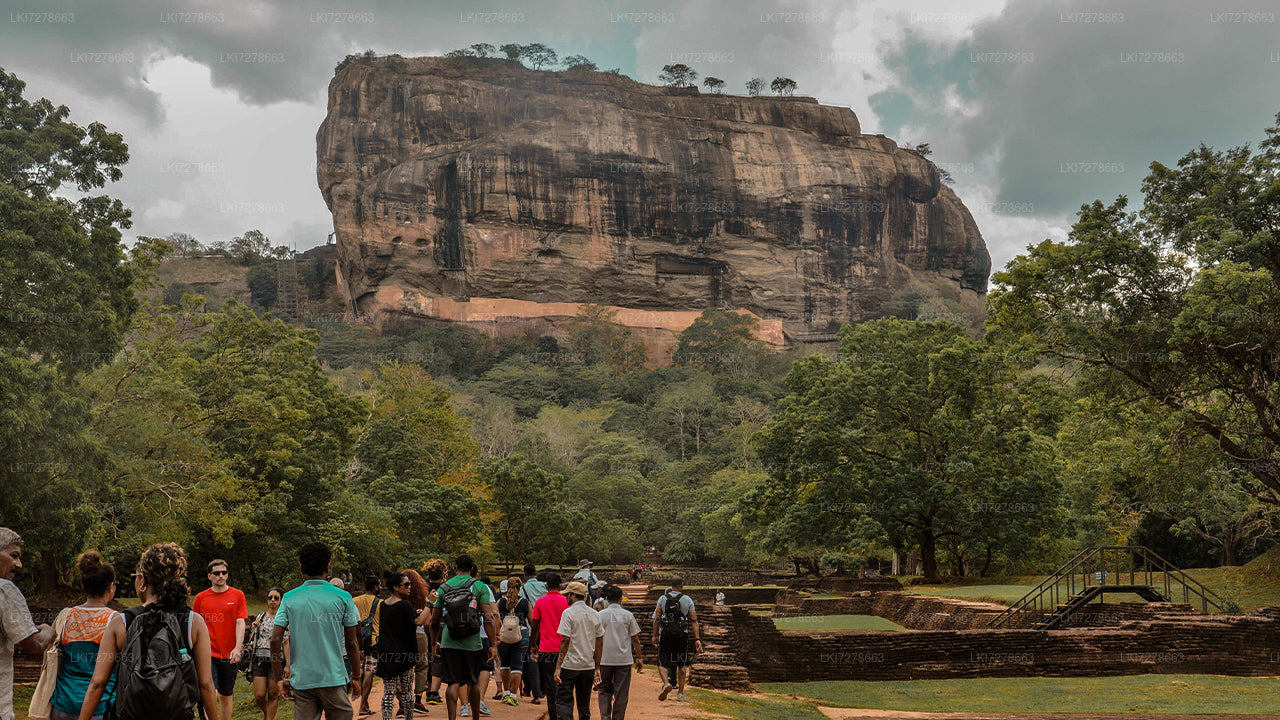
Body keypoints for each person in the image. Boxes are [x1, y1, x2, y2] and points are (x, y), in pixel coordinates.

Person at [78, 543, 220, 720]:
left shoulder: (121, 622)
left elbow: (98, 683)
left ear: (143, 580)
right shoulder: (193, 622)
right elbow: (206, 684)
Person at [271, 541, 363, 720]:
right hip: (333, 678)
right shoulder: (343, 597)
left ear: (301, 568)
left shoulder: (289, 598)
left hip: (303, 681)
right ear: (328, 567)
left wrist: (278, 679)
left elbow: (275, 640)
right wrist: (356, 676)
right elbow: (352, 642)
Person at [428, 555, 499, 720]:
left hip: (449, 641)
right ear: (472, 568)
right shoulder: (479, 586)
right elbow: (488, 617)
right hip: (473, 642)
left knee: (452, 683)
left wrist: (433, 642)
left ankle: (452, 717)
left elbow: (434, 621)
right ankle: (475, 717)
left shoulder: (443, 588)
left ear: (454, 567)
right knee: (473, 682)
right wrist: (493, 644)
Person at [50, 551, 118, 720]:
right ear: (111, 586)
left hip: (62, 704)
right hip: (100, 706)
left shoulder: (65, 616)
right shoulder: (116, 620)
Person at [1, 528, 54, 720]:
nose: (19, 564)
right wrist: (48, 630)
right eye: (13, 556)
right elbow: (35, 645)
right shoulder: (5, 590)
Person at [193, 558, 248, 720]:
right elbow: (195, 625)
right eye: (217, 573)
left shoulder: (238, 595)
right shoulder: (200, 598)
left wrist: (238, 648)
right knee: (210, 692)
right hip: (207, 653)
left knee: (226, 694)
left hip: (229, 653)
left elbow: (240, 622)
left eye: (224, 573)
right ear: (209, 576)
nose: (221, 576)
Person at [553, 582, 602, 720]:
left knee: (563, 700)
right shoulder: (594, 614)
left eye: (568, 594)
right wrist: (597, 667)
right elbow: (599, 642)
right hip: (587, 665)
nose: (566, 597)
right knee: (584, 703)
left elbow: (565, 640)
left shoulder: (568, 613)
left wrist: (558, 667)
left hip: (569, 664)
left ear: (573, 595)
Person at [650, 576, 702, 702]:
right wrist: (697, 638)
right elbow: (694, 620)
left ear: (671, 585)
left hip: (666, 634)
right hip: (681, 634)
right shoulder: (687, 599)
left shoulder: (662, 598)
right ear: (682, 585)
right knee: (681, 663)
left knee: (663, 661)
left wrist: (654, 635)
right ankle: (680, 693)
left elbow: (657, 619)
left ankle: (666, 683)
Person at [374, 572, 418, 720]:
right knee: (407, 691)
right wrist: (430, 604)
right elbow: (418, 622)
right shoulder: (405, 605)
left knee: (388, 692)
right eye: (406, 584)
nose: (409, 587)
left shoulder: (384, 604)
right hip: (405, 654)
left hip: (387, 654)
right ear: (396, 587)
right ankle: (409, 718)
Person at [595, 585, 642, 720]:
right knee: (621, 693)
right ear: (621, 599)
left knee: (603, 690)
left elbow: (595, 639)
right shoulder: (628, 615)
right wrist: (639, 658)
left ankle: (605, 716)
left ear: (607, 599)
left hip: (604, 659)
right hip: (623, 660)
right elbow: (635, 639)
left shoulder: (600, 615)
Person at [529, 573, 568, 720]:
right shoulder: (566, 601)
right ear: (561, 586)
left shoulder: (540, 602)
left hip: (546, 649)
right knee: (565, 685)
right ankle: (564, 714)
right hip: (565, 649)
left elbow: (535, 626)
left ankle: (553, 716)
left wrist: (533, 644)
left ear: (546, 587)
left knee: (551, 685)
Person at [248, 588, 289, 720]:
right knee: (259, 695)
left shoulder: (284, 619)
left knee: (272, 694)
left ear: (281, 601)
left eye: (276, 598)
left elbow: (286, 642)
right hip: (259, 659)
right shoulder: (261, 616)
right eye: (270, 597)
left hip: (277, 660)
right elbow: (252, 639)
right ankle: (267, 714)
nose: (272, 600)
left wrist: (288, 664)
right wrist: (253, 628)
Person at [494, 576, 530, 707]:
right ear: (520, 587)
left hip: (503, 635)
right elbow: (531, 619)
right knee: (517, 666)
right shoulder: (524, 602)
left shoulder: (500, 602)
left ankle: (507, 693)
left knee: (505, 665)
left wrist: (496, 635)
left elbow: (496, 618)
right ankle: (514, 696)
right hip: (521, 633)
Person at [352, 576, 382, 717]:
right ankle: (363, 704)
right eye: (380, 585)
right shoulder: (381, 603)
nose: (381, 588)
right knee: (369, 671)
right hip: (374, 640)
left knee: (361, 670)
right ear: (375, 587)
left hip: (357, 641)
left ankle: (365, 703)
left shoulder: (354, 601)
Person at [517, 565, 546, 703]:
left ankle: (528, 688)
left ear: (524, 574)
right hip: (546, 627)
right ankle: (544, 688)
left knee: (528, 658)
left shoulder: (523, 589)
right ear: (536, 573)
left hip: (530, 627)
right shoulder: (545, 586)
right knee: (544, 658)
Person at [404, 570, 431, 716]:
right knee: (421, 667)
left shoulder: (399, 598)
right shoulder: (424, 599)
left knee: (403, 667)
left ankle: (402, 704)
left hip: (402, 636)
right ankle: (418, 701)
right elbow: (427, 621)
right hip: (419, 634)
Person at [420, 560, 447, 707]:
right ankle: (434, 691)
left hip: (425, 625)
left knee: (427, 656)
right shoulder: (445, 588)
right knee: (437, 656)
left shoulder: (424, 588)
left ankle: (426, 689)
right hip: (441, 625)